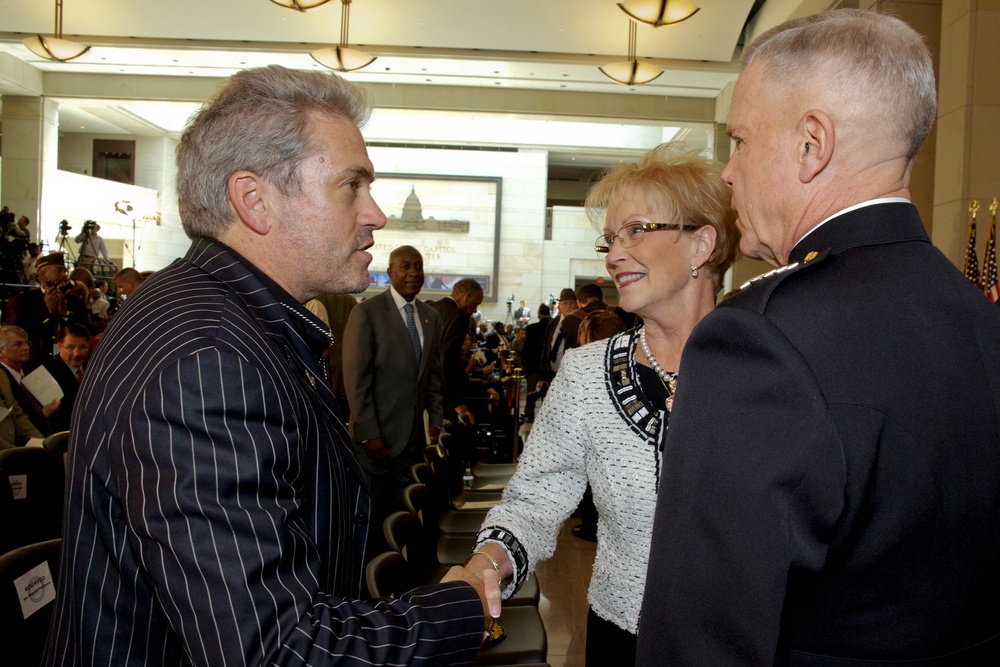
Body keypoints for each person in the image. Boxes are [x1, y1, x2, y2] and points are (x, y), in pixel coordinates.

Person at [45, 65, 494, 667]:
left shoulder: (225, 317)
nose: (377, 214)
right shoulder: (208, 357)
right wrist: (461, 604)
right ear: (255, 200)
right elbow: (275, 648)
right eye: (351, 186)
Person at [637, 10, 1000, 666]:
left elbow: (699, 642)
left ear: (812, 144)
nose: (727, 172)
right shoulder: (980, 318)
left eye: (740, 140)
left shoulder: (759, 341)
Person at [469, 143, 739, 666]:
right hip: (622, 639)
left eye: (637, 230)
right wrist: (487, 561)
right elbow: (534, 500)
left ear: (701, 244)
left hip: (741, 644)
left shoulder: (769, 368)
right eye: (611, 239)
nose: (614, 255)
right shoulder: (587, 372)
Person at [342, 245, 444, 542]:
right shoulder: (367, 313)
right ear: (390, 274)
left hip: (415, 439)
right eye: (406, 267)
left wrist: (435, 421)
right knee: (372, 516)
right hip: (377, 441)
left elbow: (432, 377)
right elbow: (357, 379)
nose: (413, 273)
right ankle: (370, 581)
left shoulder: (431, 317)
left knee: (405, 514)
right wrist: (367, 432)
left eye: (418, 266)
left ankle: (401, 578)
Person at [429, 277, 484, 424]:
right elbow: (447, 361)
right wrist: (456, 402)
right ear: (466, 297)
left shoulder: (431, 307)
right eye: (476, 304)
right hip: (444, 395)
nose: (475, 309)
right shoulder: (460, 318)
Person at [0, 325, 59, 434]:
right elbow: (14, 421)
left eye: (27, 343)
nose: (27, 347)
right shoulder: (3, 381)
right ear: (1, 351)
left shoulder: (29, 375)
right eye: (18, 344)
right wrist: (43, 415)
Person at [43, 323, 91, 434]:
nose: (77, 353)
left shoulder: (96, 366)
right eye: (70, 347)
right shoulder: (48, 373)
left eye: (83, 347)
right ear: (60, 346)